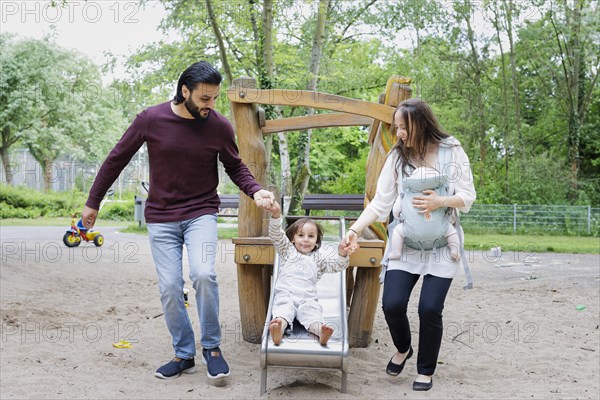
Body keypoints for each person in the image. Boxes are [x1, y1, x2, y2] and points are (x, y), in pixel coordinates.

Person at [81, 61, 275, 381]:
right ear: (184, 91)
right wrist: (93, 202)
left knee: (203, 274)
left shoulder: (219, 126)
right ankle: (184, 353)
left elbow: (235, 166)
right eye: (204, 99)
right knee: (171, 287)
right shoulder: (150, 119)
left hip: (201, 212)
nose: (210, 105)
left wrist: (256, 192)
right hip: (161, 218)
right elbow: (116, 159)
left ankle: (211, 347)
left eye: (214, 98)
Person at [342, 98, 476, 391]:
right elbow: (380, 202)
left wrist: (440, 201)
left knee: (429, 308)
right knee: (392, 304)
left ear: (422, 123)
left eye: (404, 127)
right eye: (397, 127)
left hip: (442, 244)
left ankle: (425, 370)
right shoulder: (397, 157)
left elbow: (467, 196)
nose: (399, 133)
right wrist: (355, 229)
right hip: (407, 244)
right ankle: (403, 348)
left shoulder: (451, 151)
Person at [266, 200, 351, 346]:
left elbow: (337, 266)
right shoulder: (287, 251)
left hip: (307, 299)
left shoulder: (319, 259)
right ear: (293, 239)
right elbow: (276, 235)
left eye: (311, 236)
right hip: (286, 295)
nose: (306, 240)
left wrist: (342, 254)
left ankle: (321, 331)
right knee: (283, 310)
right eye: (301, 235)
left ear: (317, 241)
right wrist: (275, 216)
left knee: (312, 314)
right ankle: (278, 329)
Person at [388, 166, 461, 261]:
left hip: (411, 230)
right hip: (439, 229)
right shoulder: (441, 191)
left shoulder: (405, 193)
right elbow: (452, 207)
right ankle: (454, 250)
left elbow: (396, 211)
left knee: (397, 231)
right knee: (451, 231)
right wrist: (452, 219)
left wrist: (398, 216)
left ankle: (396, 252)